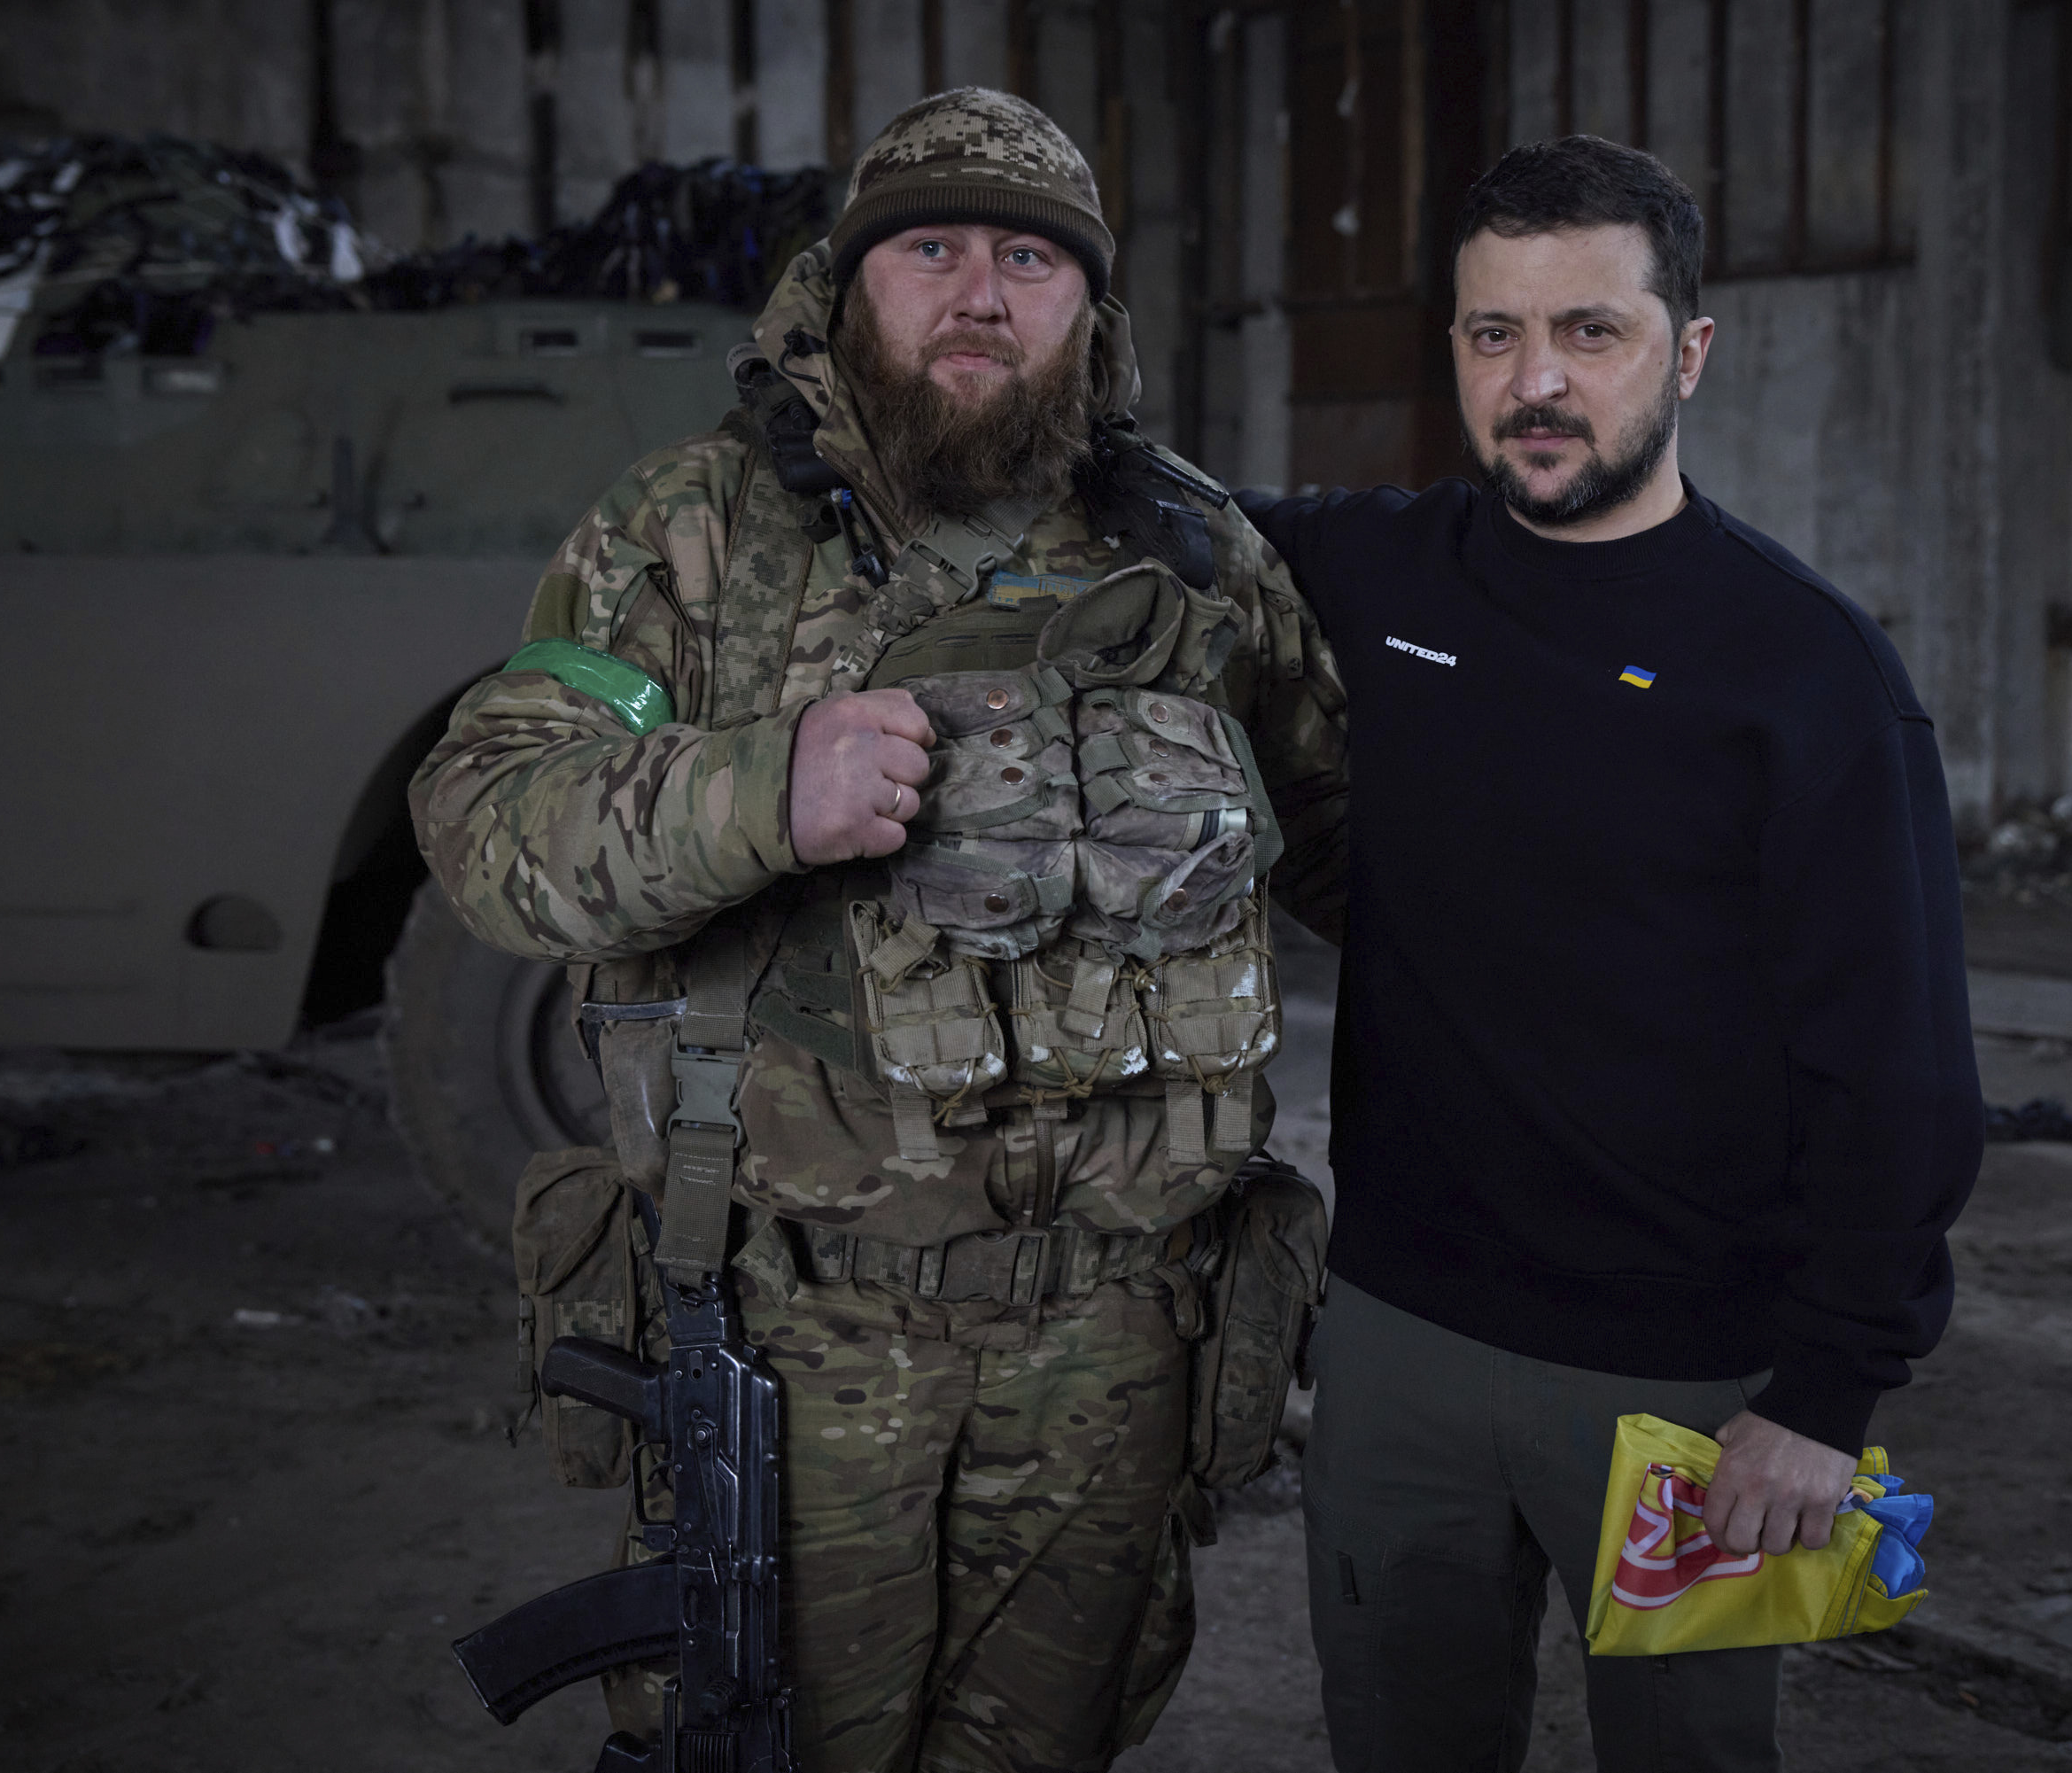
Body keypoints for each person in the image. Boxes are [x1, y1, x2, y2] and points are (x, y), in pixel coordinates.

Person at [411, 89, 1349, 1773]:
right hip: (803, 1328)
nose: (981, 290)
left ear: (1090, 310)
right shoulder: (687, 533)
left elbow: (1356, 850)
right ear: (851, 288)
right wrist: (763, 789)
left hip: (1121, 1346)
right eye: (931, 247)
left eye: (1029, 259)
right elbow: (485, 827)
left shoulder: (1200, 556)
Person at [1236, 135, 1983, 1773]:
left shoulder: (1804, 669)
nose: (1538, 382)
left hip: (1689, 1387)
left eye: (1592, 330)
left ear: (1689, 350)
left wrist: (1828, 1392)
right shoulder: (1377, 572)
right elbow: (1147, 510)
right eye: (1494, 334)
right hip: (1399, 1345)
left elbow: (1905, 1065)